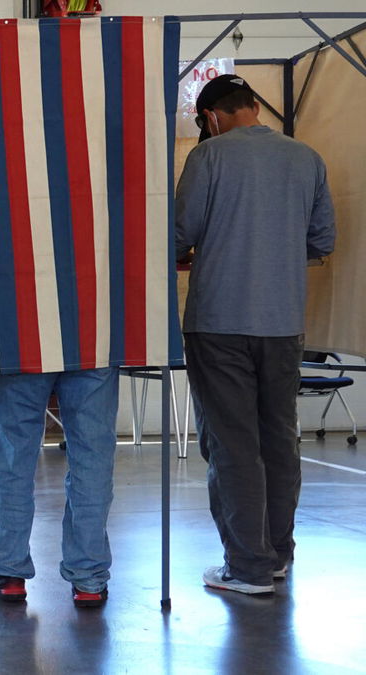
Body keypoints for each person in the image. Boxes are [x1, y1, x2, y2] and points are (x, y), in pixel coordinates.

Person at [176, 74, 335, 595]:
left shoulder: (209, 158)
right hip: (284, 322)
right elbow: (323, 239)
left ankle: (246, 568)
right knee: (278, 439)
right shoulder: (307, 158)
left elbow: (181, 233)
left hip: (219, 322)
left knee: (232, 444)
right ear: (253, 106)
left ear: (212, 117)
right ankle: (277, 556)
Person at [0, 367, 120, 608]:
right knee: (92, 455)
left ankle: (6, 571)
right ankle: (89, 578)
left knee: (13, 455)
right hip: (94, 339)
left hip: (21, 339)